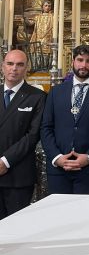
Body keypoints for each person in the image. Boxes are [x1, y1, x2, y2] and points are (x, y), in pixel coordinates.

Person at [40, 45, 89, 194]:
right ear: (73, 61)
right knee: (58, 209)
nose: (84, 65)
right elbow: (46, 127)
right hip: (59, 168)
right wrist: (57, 157)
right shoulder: (56, 92)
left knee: (86, 209)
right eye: (80, 60)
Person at [0, 50, 46, 219]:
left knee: (15, 227)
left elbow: (33, 135)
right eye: (10, 64)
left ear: (27, 68)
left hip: (18, 175)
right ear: (2, 67)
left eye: (20, 64)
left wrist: (5, 161)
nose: (14, 68)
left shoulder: (37, 97)